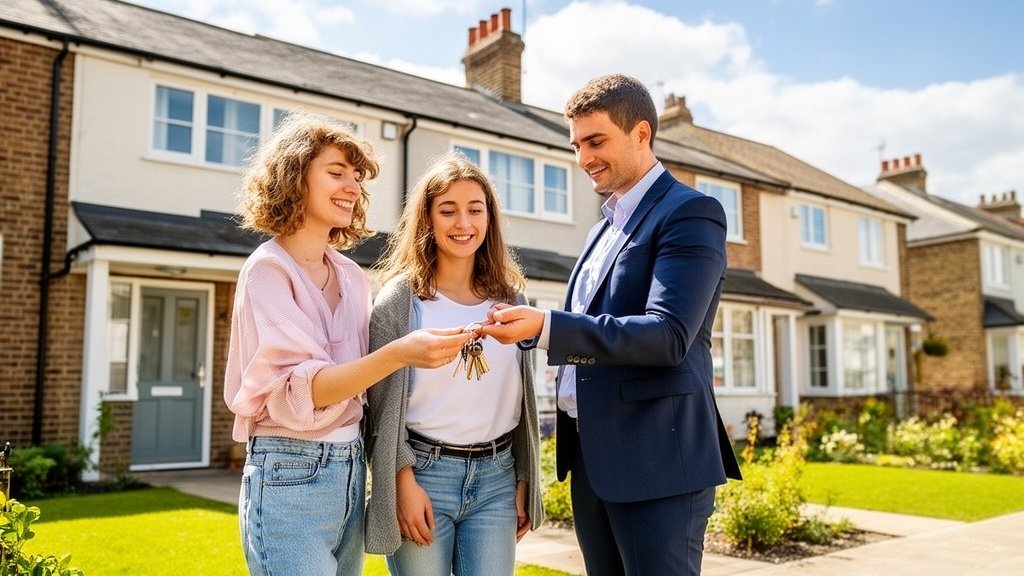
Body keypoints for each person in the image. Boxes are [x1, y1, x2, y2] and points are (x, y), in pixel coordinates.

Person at [480, 74, 742, 576]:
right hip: (595, 461)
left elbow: (668, 336)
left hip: (658, 462)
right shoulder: (604, 227)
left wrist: (548, 327)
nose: (583, 159)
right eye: (577, 144)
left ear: (641, 133)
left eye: (596, 141)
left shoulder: (690, 213)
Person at [224, 113, 472, 576]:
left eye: (357, 178)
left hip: (351, 468)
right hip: (288, 470)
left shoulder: (353, 277)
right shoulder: (268, 272)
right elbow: (308, 390)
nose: (353, 188)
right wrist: (400, 352)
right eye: (336, 173)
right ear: (294, 178)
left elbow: (369, 389)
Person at [364, 152, 544, 576]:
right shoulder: (400, 302)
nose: (463, 223)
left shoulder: (513, 300)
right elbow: (378, 409)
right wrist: (401, 482)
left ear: (489, 218)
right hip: (425, 475)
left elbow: (522, 403)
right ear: (427, 219)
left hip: (498, 482)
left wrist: (522, 478)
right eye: (448, 210)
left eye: (474, 210)